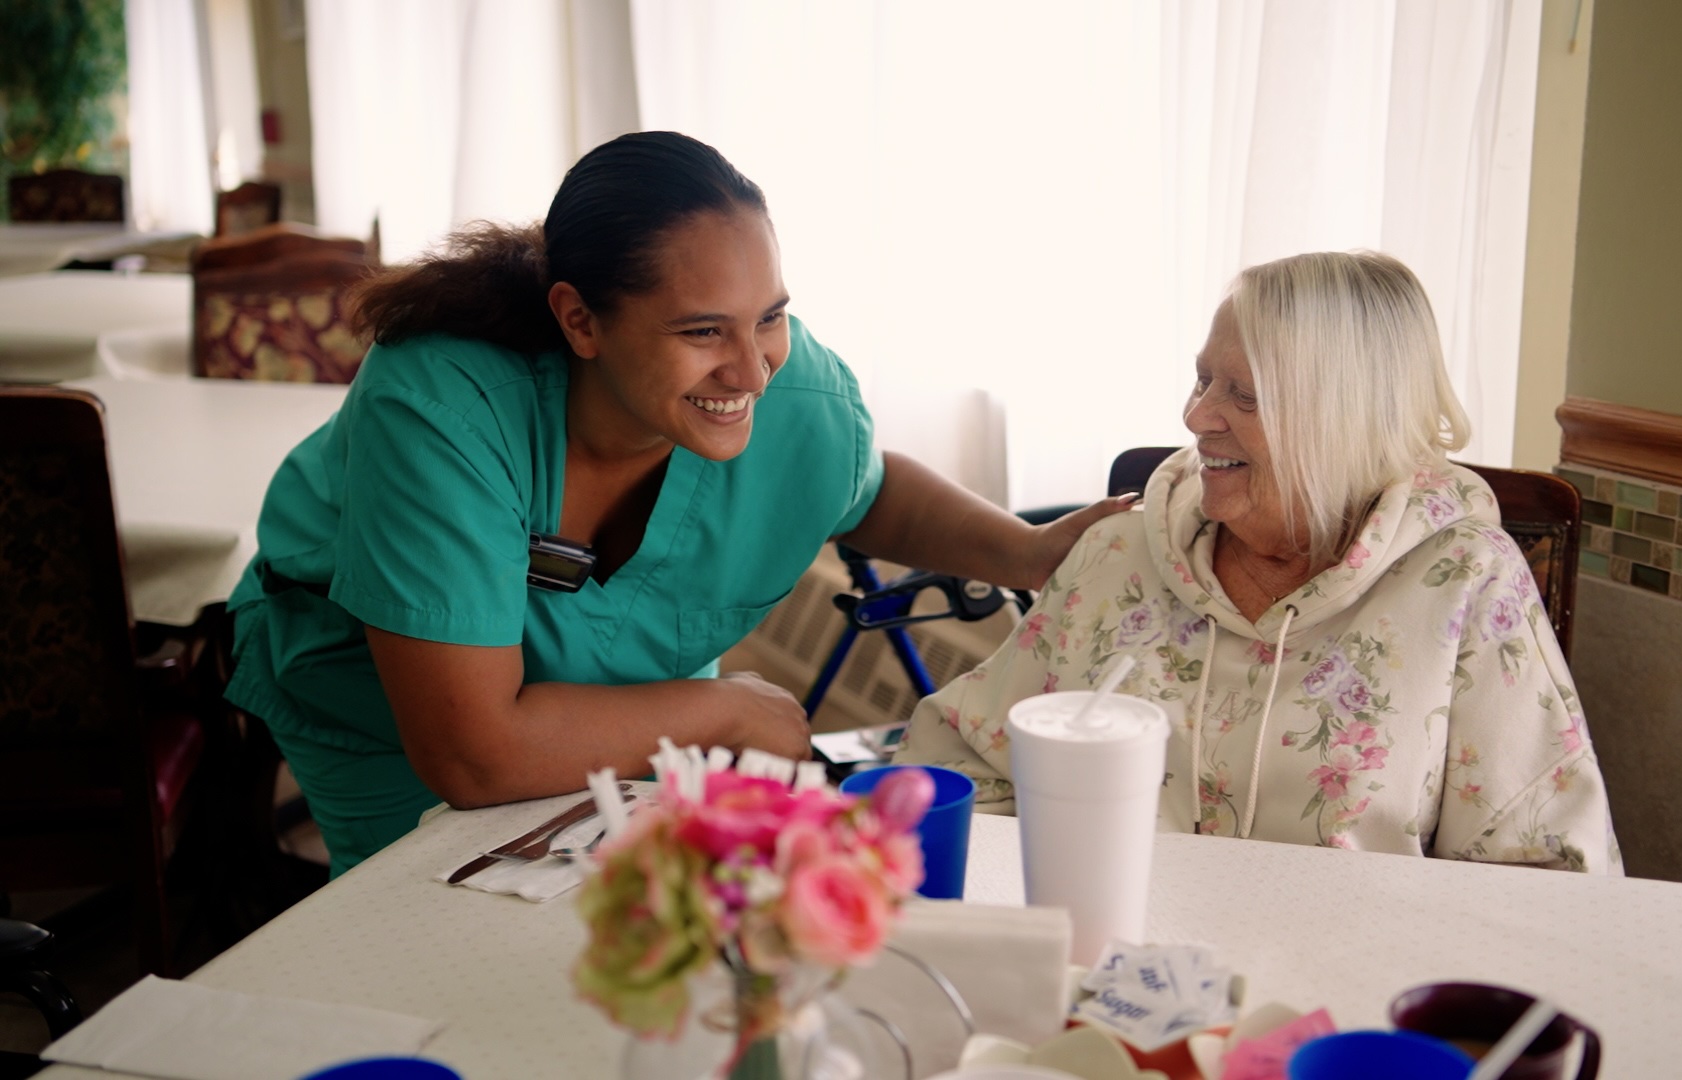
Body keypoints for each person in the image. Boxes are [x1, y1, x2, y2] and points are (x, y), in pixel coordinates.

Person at [224, 132, 1130, 875]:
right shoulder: (444, 403)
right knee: (438, 939)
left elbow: (854, 484)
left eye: (769, 315)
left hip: (629, 698)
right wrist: (725, 710)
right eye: (702, 330)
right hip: (389, 706)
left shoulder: (789, 385)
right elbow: (470, 753)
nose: (751, 369)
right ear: (580, 320)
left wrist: (1025, 550)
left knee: (655, 929)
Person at [895, 251, 1620, 873]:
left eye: (1243, 394)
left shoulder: (1465, 582)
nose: (1197, 416)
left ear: (1346, 420)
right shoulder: (1119, 557)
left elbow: (1544, 864)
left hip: (1353, 1002)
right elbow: (961, 762)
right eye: (1203, 379)